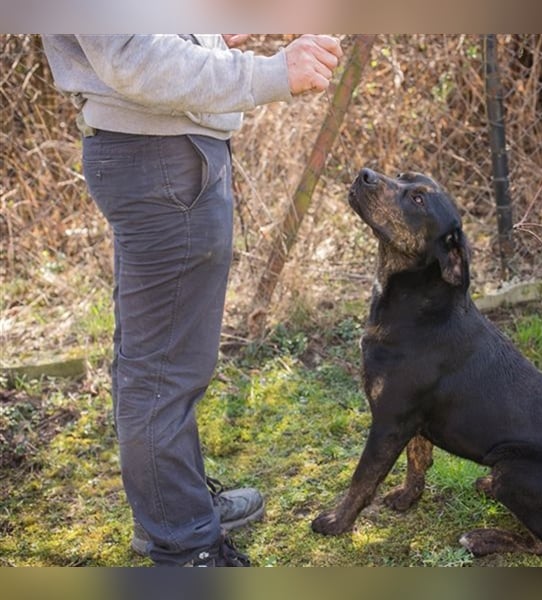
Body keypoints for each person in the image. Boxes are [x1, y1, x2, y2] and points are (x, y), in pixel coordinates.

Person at [41, 34, 343, 567]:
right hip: (158, 157)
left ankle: (174, 510)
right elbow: (131, 56)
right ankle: (185, 549)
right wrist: (270, 73)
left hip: (161, 152)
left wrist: (207, 36)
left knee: (159, 362)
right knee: (162, 371)